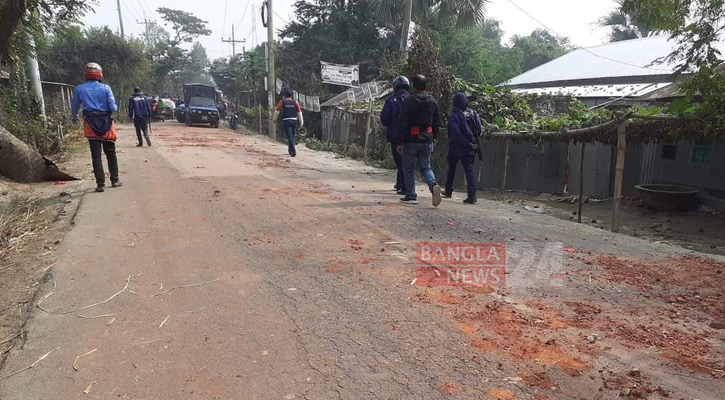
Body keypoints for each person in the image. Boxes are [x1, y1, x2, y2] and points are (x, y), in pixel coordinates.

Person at [71, 62, 121, 193]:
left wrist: (74, 117)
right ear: (100, 74)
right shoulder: (106, 88)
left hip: (90, 123)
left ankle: (100, 184)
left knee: (96, 155)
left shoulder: (80, 89)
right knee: (111, 153)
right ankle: (115, 180)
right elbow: (113, 107)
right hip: (107, 122)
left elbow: (75, 106)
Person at [395, 74, 442, 206]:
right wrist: (433, 137)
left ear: (413, 86)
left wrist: (399, 142)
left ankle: (411, 195)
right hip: (427, 139)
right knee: (426, 167)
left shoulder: (409, 101)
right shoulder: (432, 101)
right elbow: (437, 123)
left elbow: (403, 123)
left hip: (411, 140)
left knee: (408, 168)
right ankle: (433, 185)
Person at [444, 92, 482, 204]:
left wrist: (465, 143)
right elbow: (479, 129)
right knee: (469, 170)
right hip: (471, 147)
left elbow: (455, 134)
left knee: (452, 168)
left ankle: (448, 190)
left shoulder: (453, 115)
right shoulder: (473, 113)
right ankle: (472, 194)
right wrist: (471, 143)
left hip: (456, 147)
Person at [380, 76, 410, 194]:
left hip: (395, 136)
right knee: (406, 161)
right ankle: (399, 184)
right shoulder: (412, 100)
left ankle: (404, 187)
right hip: (411, 136)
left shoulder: (391, 101)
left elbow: (384, 119)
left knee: (400, 161)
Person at [274, 91, 304, 157]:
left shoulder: (282, 102)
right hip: (294, 120)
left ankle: (293, 151)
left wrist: (274, 119)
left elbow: (277, 111)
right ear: (291, 96)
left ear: (285, 95)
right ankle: (290, 150)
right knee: (292, 136)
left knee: (290, 136)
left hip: (286, 120)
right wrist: (301, 122)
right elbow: (299, 112)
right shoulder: (295, 102)